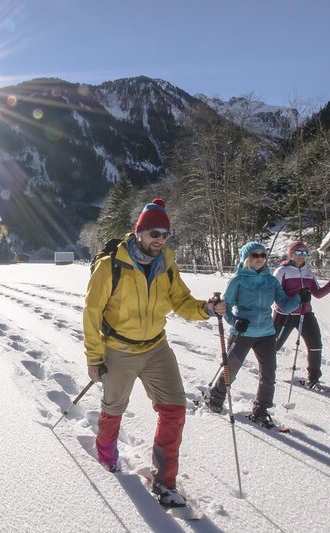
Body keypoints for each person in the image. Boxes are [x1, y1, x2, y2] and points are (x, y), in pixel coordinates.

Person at [83, 198, 226, 508]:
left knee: (174, 409)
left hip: (156, 347)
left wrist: (207, 308)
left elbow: (182, 302)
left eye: (165, 235)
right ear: (139, 233)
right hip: (119, 349)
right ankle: (106, 454)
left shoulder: (167, 265)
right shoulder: (111, 267)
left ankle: (165, 481)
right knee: (113, 408)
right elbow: (92, 313)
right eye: (154, 234)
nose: (160, 240)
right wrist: (95, 357)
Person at [203, 241, 301, 430]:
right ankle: (215, 397)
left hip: (266, 332)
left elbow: (285, 305)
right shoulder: (238, 280)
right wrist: (235, 321)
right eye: (255, 255)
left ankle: (261, 410)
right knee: (231, 368)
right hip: (243, 332)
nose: (259, 259)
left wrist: (299, 298)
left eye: (263, 256)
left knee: (269, 373)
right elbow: (226, 307)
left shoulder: (271, 281)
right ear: (246, 258)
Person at [272, 241, 330, 389]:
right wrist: (296, 298)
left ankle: (314, 379)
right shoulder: (281, 271)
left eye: (305, 253)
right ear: (291, 254)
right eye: (298, 252)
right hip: (284, 314)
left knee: (315, 344)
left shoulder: (308, 272)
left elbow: (318, 294)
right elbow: (275, 294)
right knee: (273, 346)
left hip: (305, 313)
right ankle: (267, 375)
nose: (301, 256)